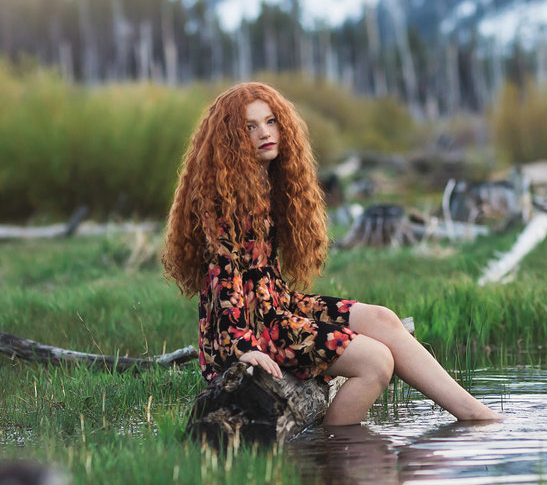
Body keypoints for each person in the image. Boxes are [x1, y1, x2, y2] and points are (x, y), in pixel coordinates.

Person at [162, 82, 502, 425]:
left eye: (270, 122)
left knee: (383, 318)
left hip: (277, 309)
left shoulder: (268, 185)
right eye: (250, 127)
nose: (265, 133)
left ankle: (474, 413)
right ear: (230, 140)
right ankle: (329, 454)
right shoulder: (222, 202)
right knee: (376, 363)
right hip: (248, 331)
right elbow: (222, 279)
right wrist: (242, 347)